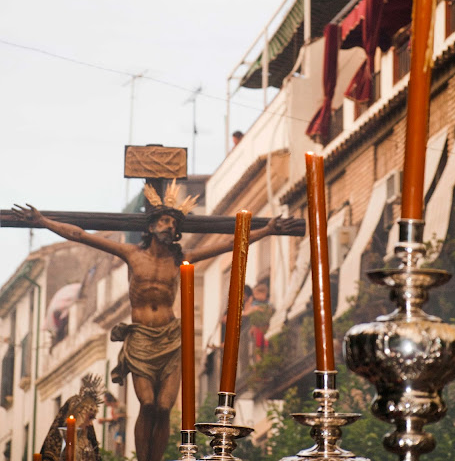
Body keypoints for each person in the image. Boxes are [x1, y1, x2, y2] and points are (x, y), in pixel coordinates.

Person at [13, 182, 297, 461]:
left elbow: (231, 245)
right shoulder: (132, 254)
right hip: (141, 339)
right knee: (147, 404)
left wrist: (268, 229)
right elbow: (80, 235)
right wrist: (43, 221)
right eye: (164, 221)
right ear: (151, 227)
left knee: (163, 407)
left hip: (171, 337)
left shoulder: (180, 260)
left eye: (173, 223)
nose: (169, 226)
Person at [40, 374, 103, 461]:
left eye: (92, 418)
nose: (90, 424)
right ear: (78, 415)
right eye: (89, 418)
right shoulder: (59, 443)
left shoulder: (88, 443)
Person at [98, 392, 127, 458]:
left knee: (118, 446)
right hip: (115, 430)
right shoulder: (113, 408)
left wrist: (104, 420)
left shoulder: (120, 406)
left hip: (120, 430)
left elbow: (120, 417)